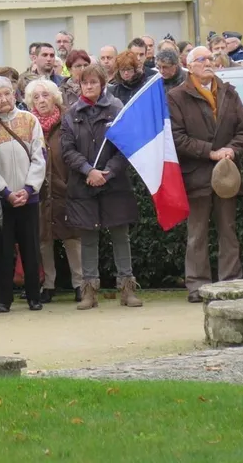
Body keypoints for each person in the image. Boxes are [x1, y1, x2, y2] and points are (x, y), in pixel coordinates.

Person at [168, 46, 243, 303]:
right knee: (197, 234)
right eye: (202, 59)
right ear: (189, 65)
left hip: (226, 176)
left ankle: (230, 282)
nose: (208, 63)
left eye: (211, 58)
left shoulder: (229, 92)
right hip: (196, 175)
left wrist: (231, 151)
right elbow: (178, 138)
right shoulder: (177, 96)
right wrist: (210, 152)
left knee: (228, 230)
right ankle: (197, 286)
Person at [60, 63, 142, 309]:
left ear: (102, 84)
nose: (89, 86)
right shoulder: (71, 114)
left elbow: (125, 146)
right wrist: (89, 170)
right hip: (82, 185)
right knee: (88, 238)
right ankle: (89, 291)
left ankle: (127, 290)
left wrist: (108, 172)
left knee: (120, 236)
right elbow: (67, 151)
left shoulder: (116, 108)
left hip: (114, 184)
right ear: (80, 85)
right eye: (85, 83)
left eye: (94, 82)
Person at [0, 77, 46, 312]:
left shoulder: (29, 120)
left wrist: (29, 188)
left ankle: (34, 295)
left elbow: (39, 156)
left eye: (7, 94)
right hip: (3, 199)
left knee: (31, 247)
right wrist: (5, 191)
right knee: (2, 250)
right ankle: (4, 299)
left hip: (28, 196)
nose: (3, 99)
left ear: (15, 95)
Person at [26, 80, 82, 303]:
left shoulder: (68, 120)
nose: (41, 100)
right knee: (43, 238)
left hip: (65, 188)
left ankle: (80, 283)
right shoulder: (29, 124)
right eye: (36, 97)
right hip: (39, 191)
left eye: (45, 95)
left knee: (72, 237)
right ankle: (49, 284)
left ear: (55, 98)